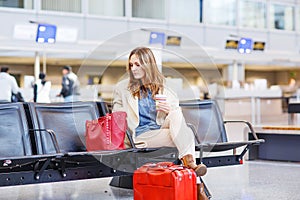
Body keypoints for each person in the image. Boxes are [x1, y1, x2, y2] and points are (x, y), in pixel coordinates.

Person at [113, 47, 207, 176]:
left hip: (160, 128)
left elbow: (175, 111)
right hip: (140, 134)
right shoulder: (122, 87)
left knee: (175, 114)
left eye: (137, 64)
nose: (133, 68)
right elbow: (116, 115)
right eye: (131, 65)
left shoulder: (163, 85)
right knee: (187, 134)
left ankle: (190, 167)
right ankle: (192, 171)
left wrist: (168, 109)